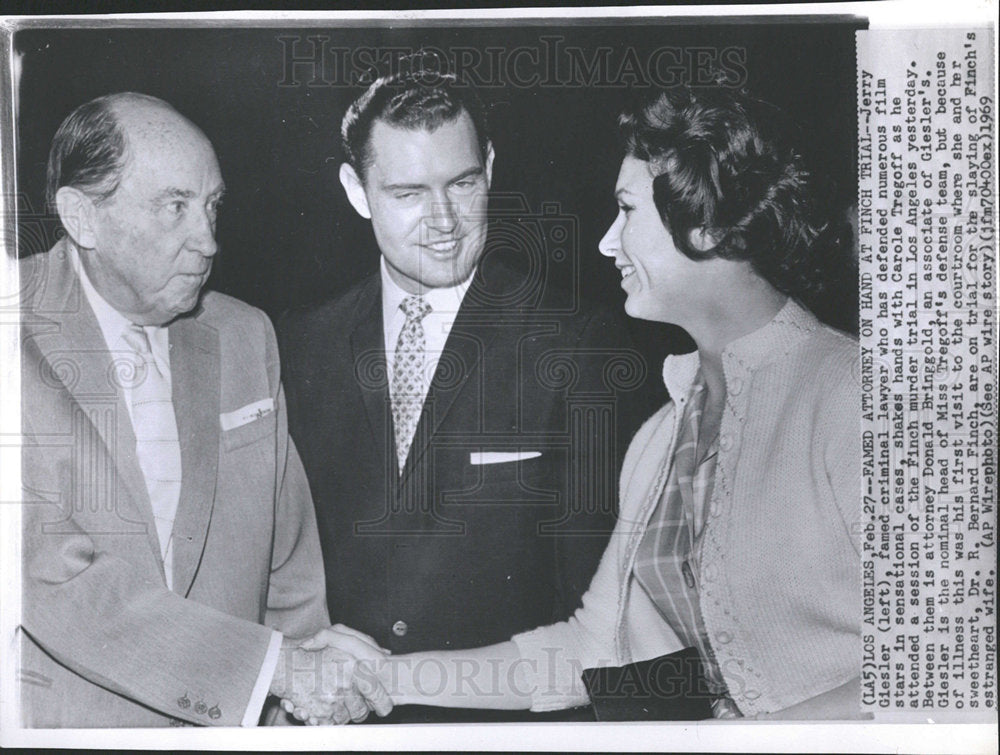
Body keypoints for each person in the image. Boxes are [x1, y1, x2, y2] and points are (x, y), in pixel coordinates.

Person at [335, 86, 862, 720]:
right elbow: (592, 651)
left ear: (708, 221)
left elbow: (948, 671)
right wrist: (384, 677)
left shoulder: (854, 396)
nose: (608, 242)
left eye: (626, 210)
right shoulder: (663, 436)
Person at [277, 59, 655, 723]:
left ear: (490, 165)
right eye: (408, 193)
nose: (445, 219)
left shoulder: (578, 343)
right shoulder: (298, 346)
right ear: (355, 190)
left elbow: (604, 624)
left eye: (463, 182)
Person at [19, 92, 390, 727]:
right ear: (82, 216)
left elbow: (289, 564)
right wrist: (272, 670)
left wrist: (298, 709)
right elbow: (46, 576)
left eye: (213, 206)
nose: (208, 240)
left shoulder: (244, 336)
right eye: (175, 208)